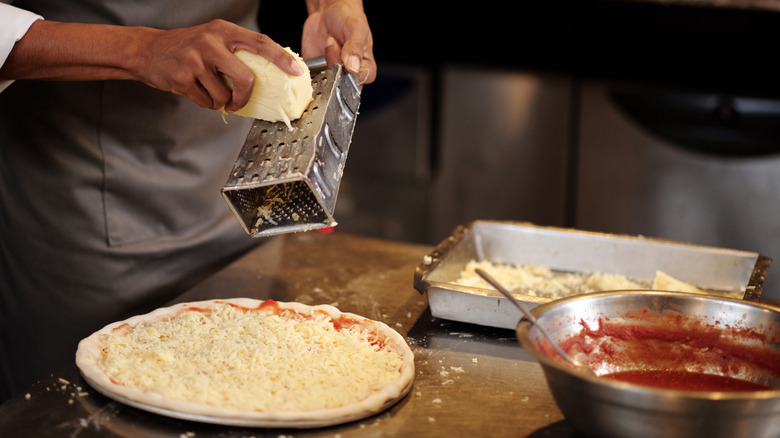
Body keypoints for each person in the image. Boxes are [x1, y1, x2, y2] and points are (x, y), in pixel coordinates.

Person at [0, 0, 376, 401]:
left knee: (248, 388)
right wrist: (141, 50)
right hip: (87, 198)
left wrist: (333, 4)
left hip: (240, 166)